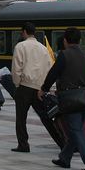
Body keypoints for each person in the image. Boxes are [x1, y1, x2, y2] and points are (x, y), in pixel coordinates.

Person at [39, 27, 85, 170]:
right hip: (84, 98)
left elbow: (53, 74)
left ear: (66, 41)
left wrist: (43, 89)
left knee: (76, 131)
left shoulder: (64, 55)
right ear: (80, 40)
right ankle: (64, 158)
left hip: (70, 99)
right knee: (76, 130)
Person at [10, 22, 52, 153]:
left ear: (24, 32)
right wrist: (45, 86)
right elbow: (49, 67)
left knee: (21, 118)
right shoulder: (43, 48)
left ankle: (23, 144)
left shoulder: (20, 46)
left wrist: (17, 84)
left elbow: (16, 68)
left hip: (25, 87)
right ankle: (62, 142)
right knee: (46, 117)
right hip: (39, 88)